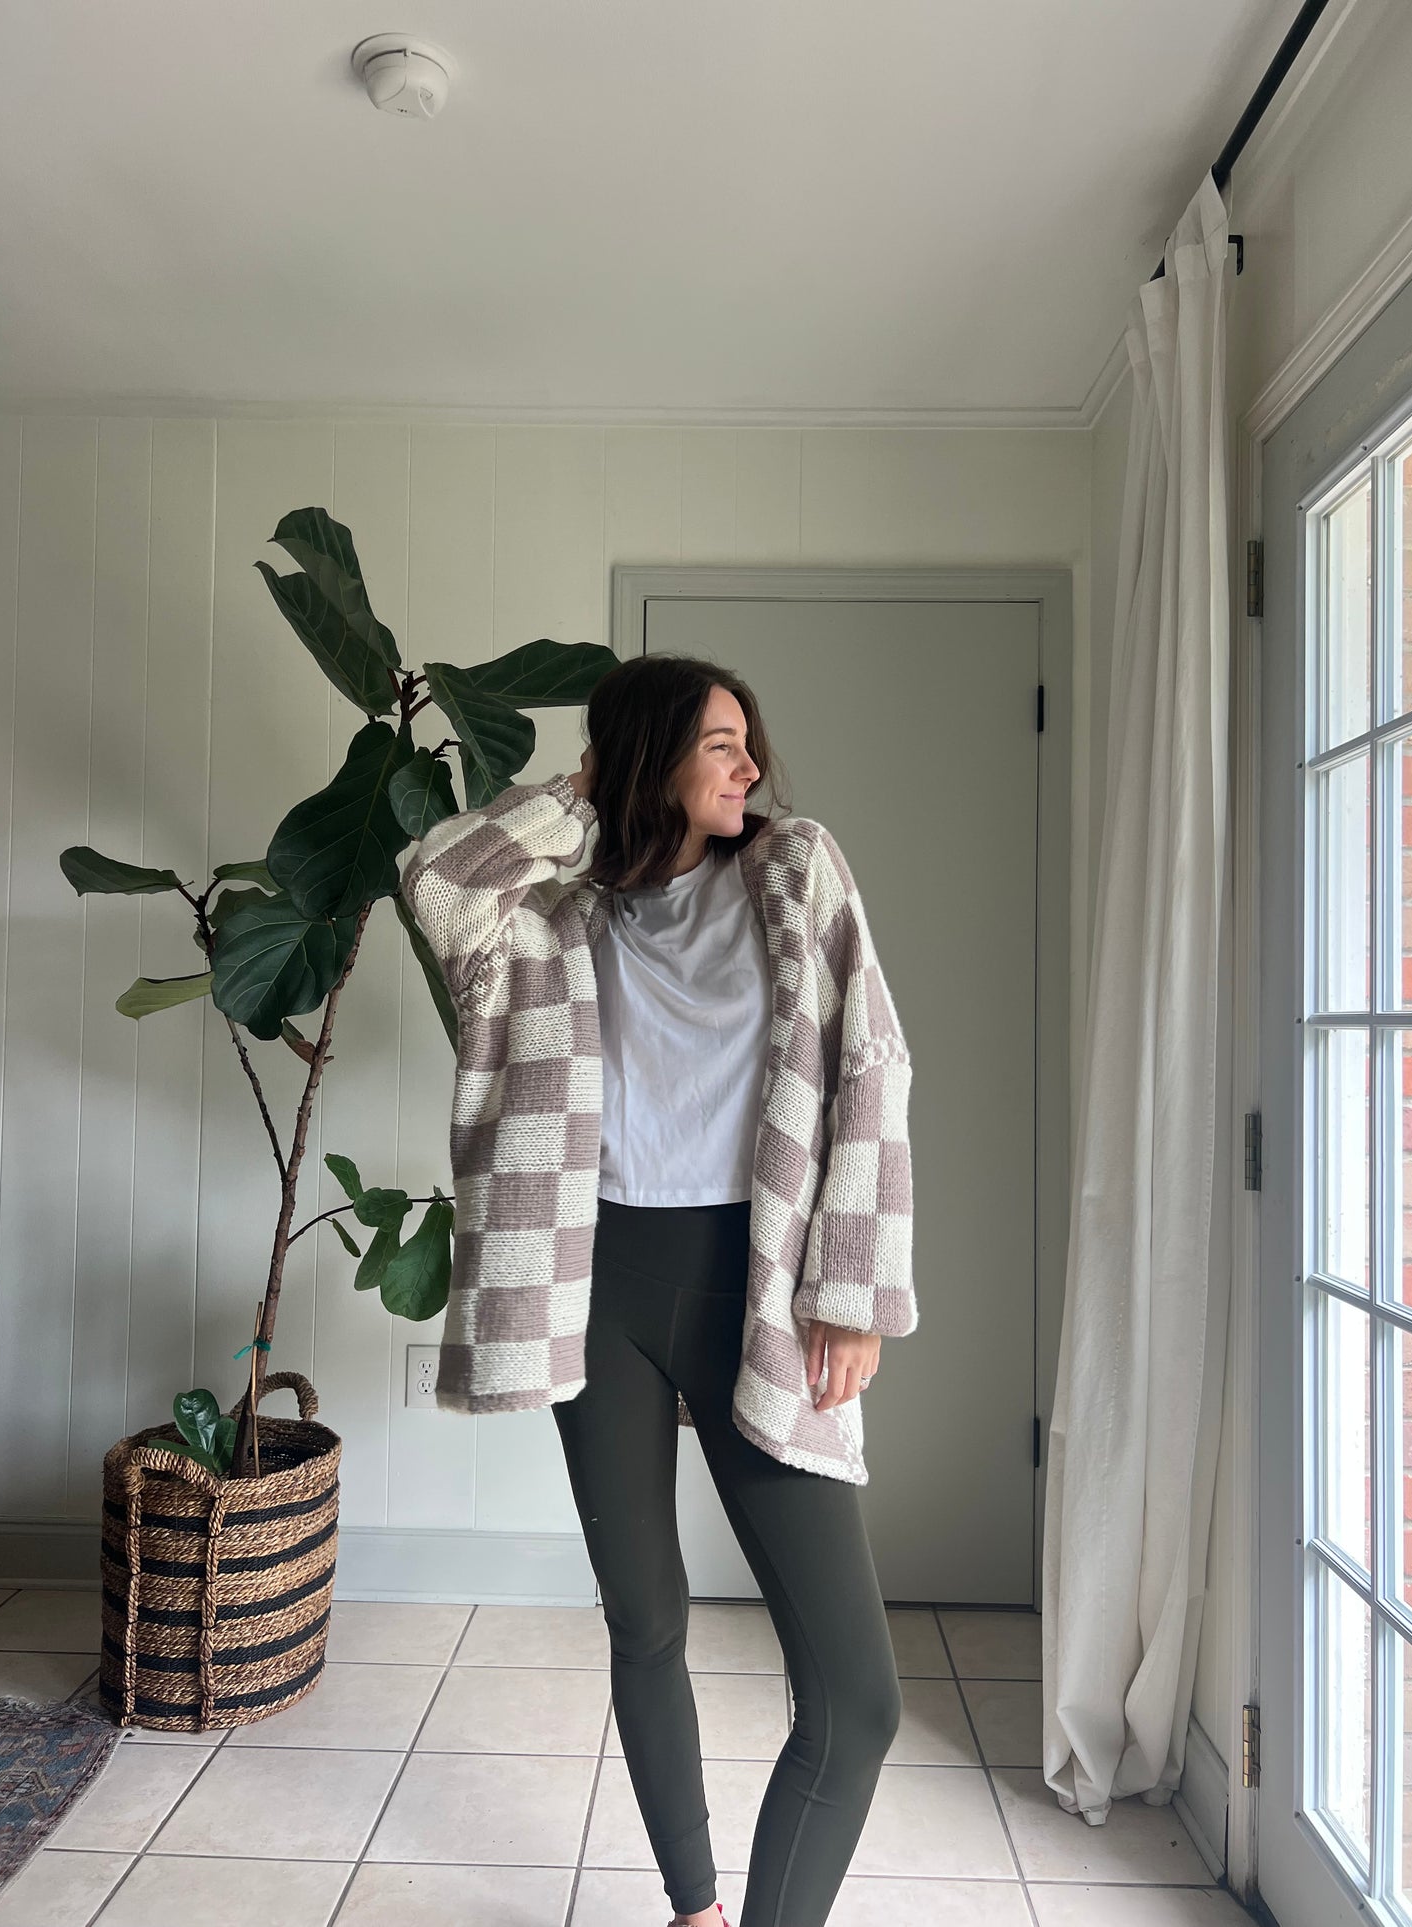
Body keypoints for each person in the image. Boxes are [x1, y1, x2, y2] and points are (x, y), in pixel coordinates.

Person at [405, 653, 915, 1927]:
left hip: (757, 1280)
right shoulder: (548, 908)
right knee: (645, 1616)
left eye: (749, 742)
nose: (750, 766)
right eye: (718, 745)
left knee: (855, 1695)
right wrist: (584, 796)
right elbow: (431, 877)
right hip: (600, 1284)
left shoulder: (795, 869)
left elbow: (871, 1057)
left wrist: (847, 1285)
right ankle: (694, 1910)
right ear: (648, 762)